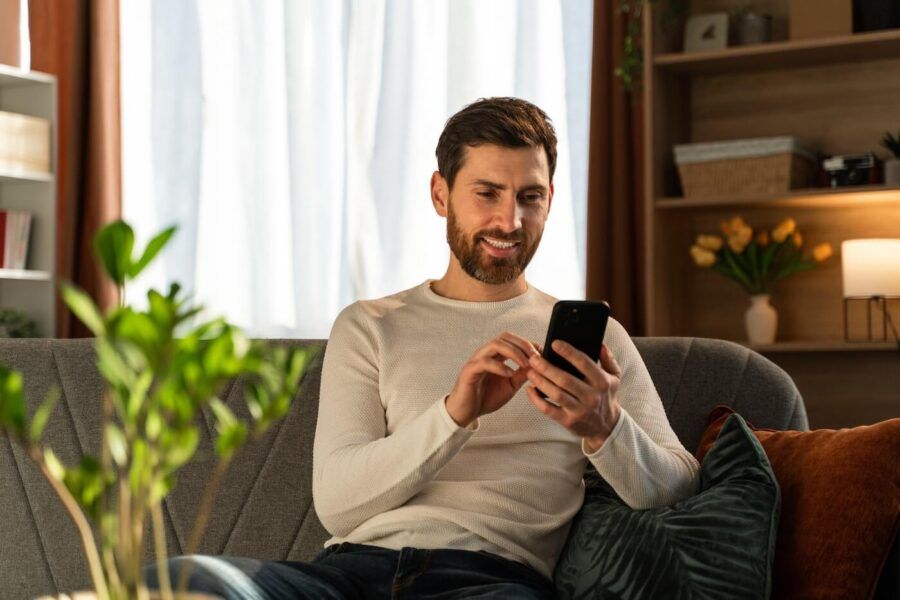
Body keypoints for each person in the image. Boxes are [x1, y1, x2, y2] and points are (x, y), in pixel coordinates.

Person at [148, 97, 699, 599]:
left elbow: (679, 488)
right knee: (176, 581)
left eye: (529, 197)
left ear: (550, 199)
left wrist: (606, 426)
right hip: (344, 577)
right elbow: (338, 503)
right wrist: (456, 414)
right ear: (441, 194)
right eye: (487, 193)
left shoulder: (597, 342)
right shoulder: (370, 326)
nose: (510, 221)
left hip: (490, 581)